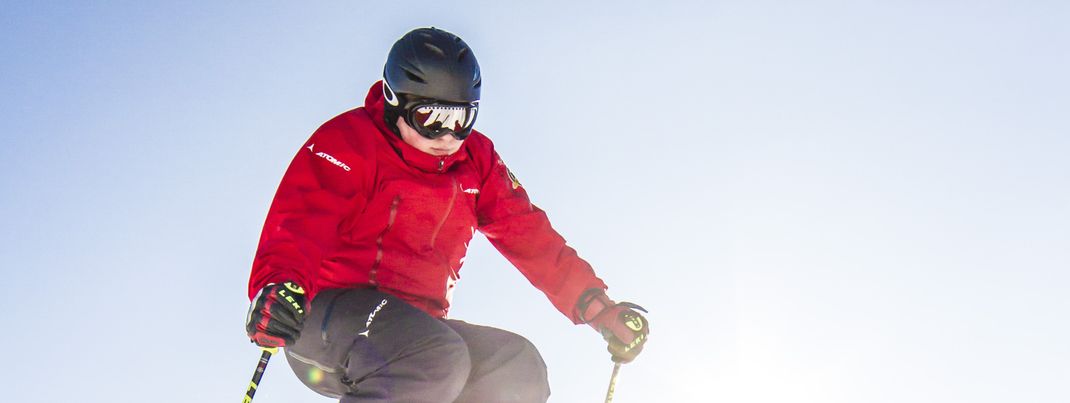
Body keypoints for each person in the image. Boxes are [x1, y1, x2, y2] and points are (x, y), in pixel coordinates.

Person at [244, 27, 649, 403]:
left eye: (461, 119)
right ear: (394, 100)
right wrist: (280, 287)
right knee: (436, 358)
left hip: (416, 331)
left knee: (515, 366)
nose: (448, 137)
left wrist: (598, 308)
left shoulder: (477, 161)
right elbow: (300, 224)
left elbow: (530, 236)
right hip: (327, 317)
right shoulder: (351, 142)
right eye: (432, 119)